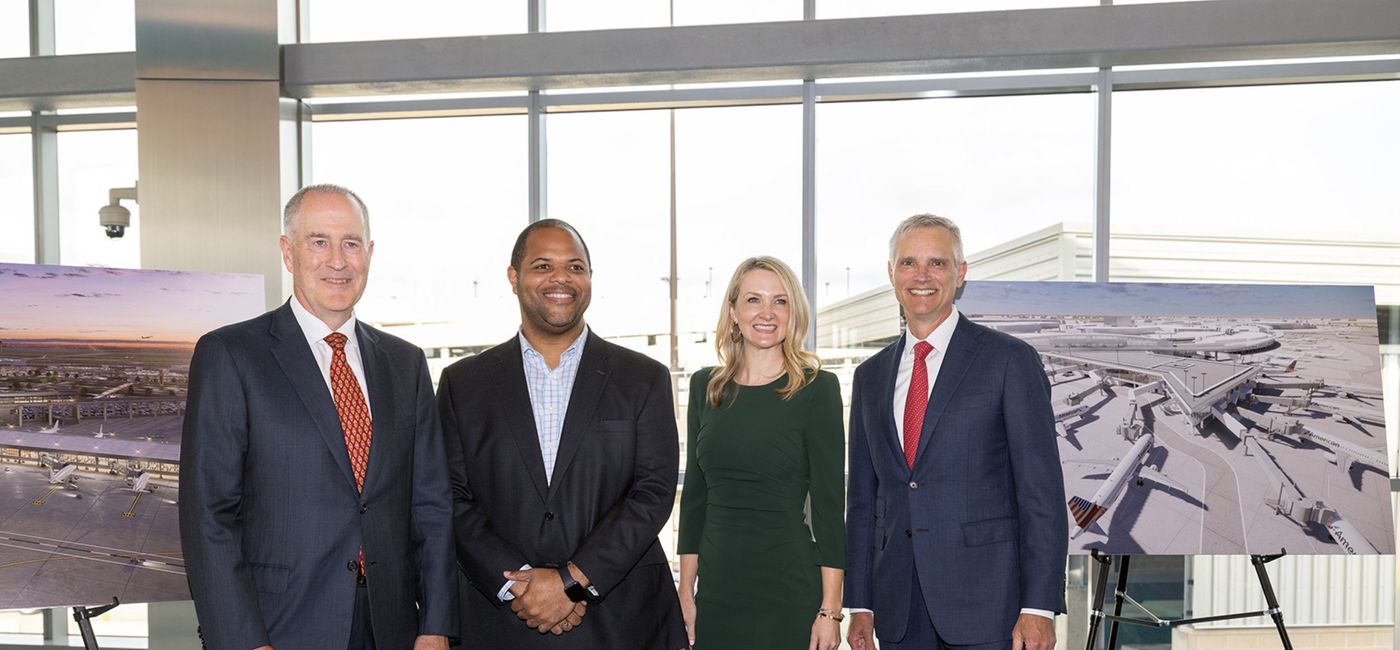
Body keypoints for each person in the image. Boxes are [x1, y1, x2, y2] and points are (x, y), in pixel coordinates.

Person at [179, 184, 457, 650]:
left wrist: (435, 625)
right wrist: (244, 640)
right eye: (319, 242)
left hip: (393, 627)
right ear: (288, 252)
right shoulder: (231, 354)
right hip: (280, 627)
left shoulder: (404, 362)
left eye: (351, 243)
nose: (337, 260)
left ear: (369, 253)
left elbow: (430, 504)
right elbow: (209, 514)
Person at [437, 219, 686, 649]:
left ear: (589, 278)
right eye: (542, 266)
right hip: (501, 622)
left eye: (575, 267)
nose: (561, 279)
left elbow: (654, 491)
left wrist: (572, 581)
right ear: (514, 278)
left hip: (621, 623)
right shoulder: (463, 383)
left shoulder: (643, 378)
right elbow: (451, 496)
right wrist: (523, 587)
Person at [844, 214, 1067, 650]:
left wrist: (1038, 606)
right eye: (908, 263)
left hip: (991, 609)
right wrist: (860, 603)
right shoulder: (869, 376)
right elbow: (863, 500)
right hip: (897, 611)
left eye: (937, 263)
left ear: (960, 273)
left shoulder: (1009, 360)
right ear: (892, 273)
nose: (922, 276)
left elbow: (1039, 492)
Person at [677, 256, 846, 650]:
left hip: (788, 592)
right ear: (733, 312)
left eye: (780, 301)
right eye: (754, 300)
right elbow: (695, 501)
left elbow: (828, 507)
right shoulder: (706, 387)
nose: (767, 313)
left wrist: (830, 610)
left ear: (794, 313)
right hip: (717, 593)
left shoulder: (817, 389)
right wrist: (686, 591)